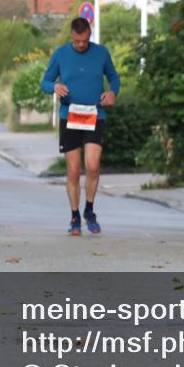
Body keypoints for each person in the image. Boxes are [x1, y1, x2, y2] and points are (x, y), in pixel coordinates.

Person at [41, 17, 120, 236]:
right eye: (77, 41)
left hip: (95, 114)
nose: (81, 45)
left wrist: (112, 92)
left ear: (89, 35)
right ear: (71, 36)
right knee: (74, 170)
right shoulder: (60, 54)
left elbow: (114, 78)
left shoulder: (101, 53)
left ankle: (89, 210)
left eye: (85, 40)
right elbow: (45, 82)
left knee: (93, 165)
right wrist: (54, 87)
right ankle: (75, 216)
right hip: (70, 115)